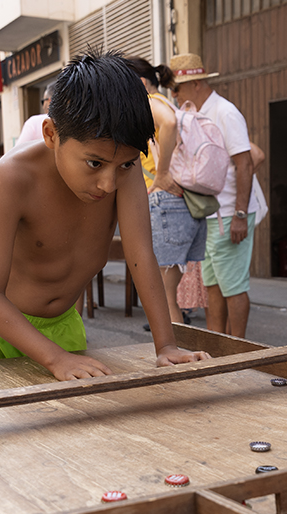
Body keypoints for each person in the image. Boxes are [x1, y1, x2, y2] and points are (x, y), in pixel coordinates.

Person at [0, 51, 209, 379]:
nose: (108, 183)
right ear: (52, 134)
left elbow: (140, 255)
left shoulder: (123, 170)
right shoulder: (12, 176)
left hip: (61, 328)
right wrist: (55, 359)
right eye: (94, 163)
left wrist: (166, 345)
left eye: (124, 164)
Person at [171, 52, 258, 339]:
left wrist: (241, 215)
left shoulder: (224, 112)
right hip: (210, 213)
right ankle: (218, 347)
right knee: (212, 285)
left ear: (195, 84)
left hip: (232, 211)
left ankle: (239, 347)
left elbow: (245, 162)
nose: (173, 95)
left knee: (233, 285)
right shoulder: (194, 113)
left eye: (176, 88)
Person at [124, 56, 206, 325]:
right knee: (168, 293)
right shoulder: (168, 103)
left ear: (140, 83)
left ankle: (177, 358)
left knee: (164, 294)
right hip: (184, 204)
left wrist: (161, 174)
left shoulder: (151, 103)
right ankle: (178, 354)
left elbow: (168, 123)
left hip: (166, 202)